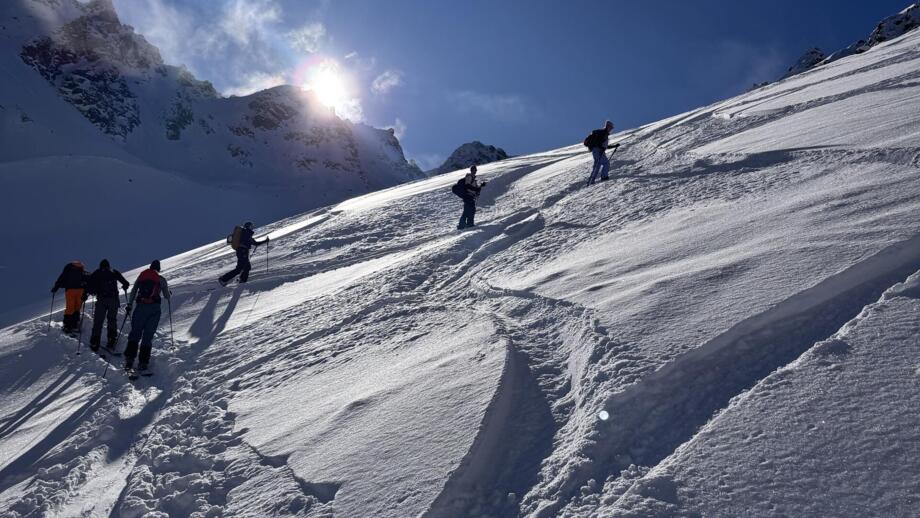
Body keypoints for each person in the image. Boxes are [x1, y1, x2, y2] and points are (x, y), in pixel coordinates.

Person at [124, 260, 170, 373]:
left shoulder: (142, 276)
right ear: (158, 269)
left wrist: (130, 304)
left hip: (141, 307)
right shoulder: (161, 280)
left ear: (150, 267)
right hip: (154, 310)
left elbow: (134, 291)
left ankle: (129, 359)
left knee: (135, 332)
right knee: (148, 335)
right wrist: (169, 294)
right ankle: (143, 362)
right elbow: (166, 296)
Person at [86, 259, 130, 352]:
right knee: (112, 319)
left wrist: (87, 293)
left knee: (98, 320)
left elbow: (89, 285)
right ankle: (111, 339)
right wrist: (125, 286)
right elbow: (126, 283)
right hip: (113, 300)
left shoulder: (97, 272)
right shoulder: (113, 271)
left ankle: (95, 341)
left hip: (102, 299)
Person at [219, 222, 269, 286]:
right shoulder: (246, 233)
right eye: (251, 226)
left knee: (240, 269)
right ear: (248, 226)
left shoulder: (245, 234)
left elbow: (255, 243)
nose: (252, 228)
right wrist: (265, 241)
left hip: (241, 252)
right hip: (243, 252)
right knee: (246, 267)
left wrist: (265, 241)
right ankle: (239, 280)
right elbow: (254, 243)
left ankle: (225, 279)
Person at [51, 261, 88, 335]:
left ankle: (67, 325)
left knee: (70, 307)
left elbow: (61, 278)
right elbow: (89, 279)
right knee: (77, 307)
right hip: (81, 290)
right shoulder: (82, 270)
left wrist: (55, 288)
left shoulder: (68, 269)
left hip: (70, 290)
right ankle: (75, 324)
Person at [586, 120, 620, 185]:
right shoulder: (603, 133)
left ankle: (591, 181)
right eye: (610, 127)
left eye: (611, 128)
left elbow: (605, 146)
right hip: (598, 151)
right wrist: (601, 148)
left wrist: (614, 146)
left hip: (596, 151)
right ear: (607, 126)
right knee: (606, 163)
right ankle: (604, 177)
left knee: (597, 166)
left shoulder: (604, 134)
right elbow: (599, 144)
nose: (611, 129)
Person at [457, 165, 487, 230]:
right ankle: (468, 224)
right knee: (470, 210)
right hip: (468, 196)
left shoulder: (474, 179)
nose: (475, 171)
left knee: (468, 211)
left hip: (470, 197)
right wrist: (476, 189)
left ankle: (463, 225)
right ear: (471, 170)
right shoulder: (469, 176)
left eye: (475, 170)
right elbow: (467, 186)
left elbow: (475, 189)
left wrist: (481, 186)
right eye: (474, 170)